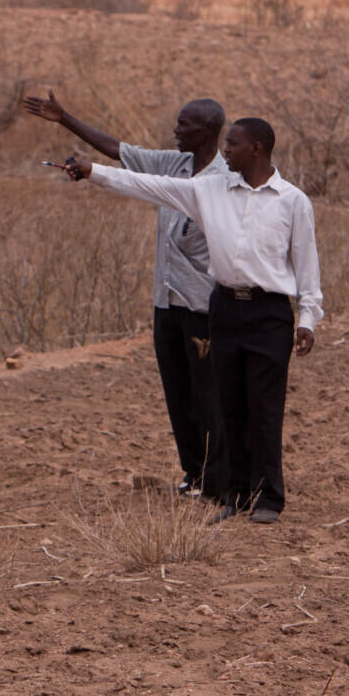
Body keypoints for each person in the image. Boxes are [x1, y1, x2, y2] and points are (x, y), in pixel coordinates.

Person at [61, 117, 321, 524]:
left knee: (264, 407)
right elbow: (149, 186)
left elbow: (306, 263)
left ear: (257, 149)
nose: (225, 150)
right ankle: (237, 496)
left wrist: (307, 317)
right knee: (229, 405)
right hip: (224, 309)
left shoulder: (292, 200)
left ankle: (269, 498)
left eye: (233, 144)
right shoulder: (209, 190)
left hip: (269, 313)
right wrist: (94, 171)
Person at [23, 90, 230, 502]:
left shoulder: (221, 182)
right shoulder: (176, 163)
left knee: (208, 396)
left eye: (184, 124)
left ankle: (218, 481)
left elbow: (130, 179)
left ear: (208, 130)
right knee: (178, 393)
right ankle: (193, 474)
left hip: (201, 306)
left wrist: (93, 173)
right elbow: (121, 152)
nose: (175, 130)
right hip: (165, 302)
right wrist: (65, 118)